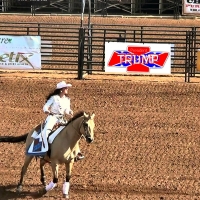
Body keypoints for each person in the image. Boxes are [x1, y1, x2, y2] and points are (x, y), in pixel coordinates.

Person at [41, 80, 84, 160]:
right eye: (66, 88)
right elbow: (45, 106)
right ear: (61, 89)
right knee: (45, 132)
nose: (67, 89)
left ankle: (77, 152)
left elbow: (67, 110)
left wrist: (70, 112)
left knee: (73, 133)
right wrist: (47, 111)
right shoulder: (54, 98)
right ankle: (43, 151)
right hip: (53, 118)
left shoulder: (67, 99)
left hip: (62, 118)